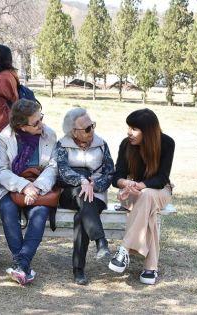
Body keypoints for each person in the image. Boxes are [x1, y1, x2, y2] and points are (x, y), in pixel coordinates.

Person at [108, 108, 175, 285]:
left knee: (147, 197)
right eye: (129, 127)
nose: (129, 132)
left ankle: (124, 249)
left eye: (134, 128)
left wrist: (142, 185)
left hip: (158, 191)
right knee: (148, 209)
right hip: (131, 192)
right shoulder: (126, 144)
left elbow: (162, 178)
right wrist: (126, 184)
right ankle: (150, 268)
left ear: (148, 131)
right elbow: (116, 177)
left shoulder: (167, 143)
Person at [0, 99, 57, 285]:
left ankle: (21, 264)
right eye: (36, 122)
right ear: (22, 126)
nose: (42, 124)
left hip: (40, 187)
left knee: (39, 213)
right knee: (7, 208)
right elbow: (1, 171)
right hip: (13, 186)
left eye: (41, 118)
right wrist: (24, 186)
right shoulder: (5, 137)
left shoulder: (49, 135)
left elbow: (53, 167)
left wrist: (36, 187)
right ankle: (22, 264)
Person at [55, 108, 114, 285]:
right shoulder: (62, 144)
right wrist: (82, 181)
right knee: (82, 194)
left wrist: (95, 185)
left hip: (96, 194)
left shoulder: (101, 144)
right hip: (70, 193)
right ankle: (100, 241)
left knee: (82, 215)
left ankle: (78, 269)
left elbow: (110, 172)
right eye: (87, 128)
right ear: (74, 131)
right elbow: (63, 171)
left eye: (92, 126)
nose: (92, 131)